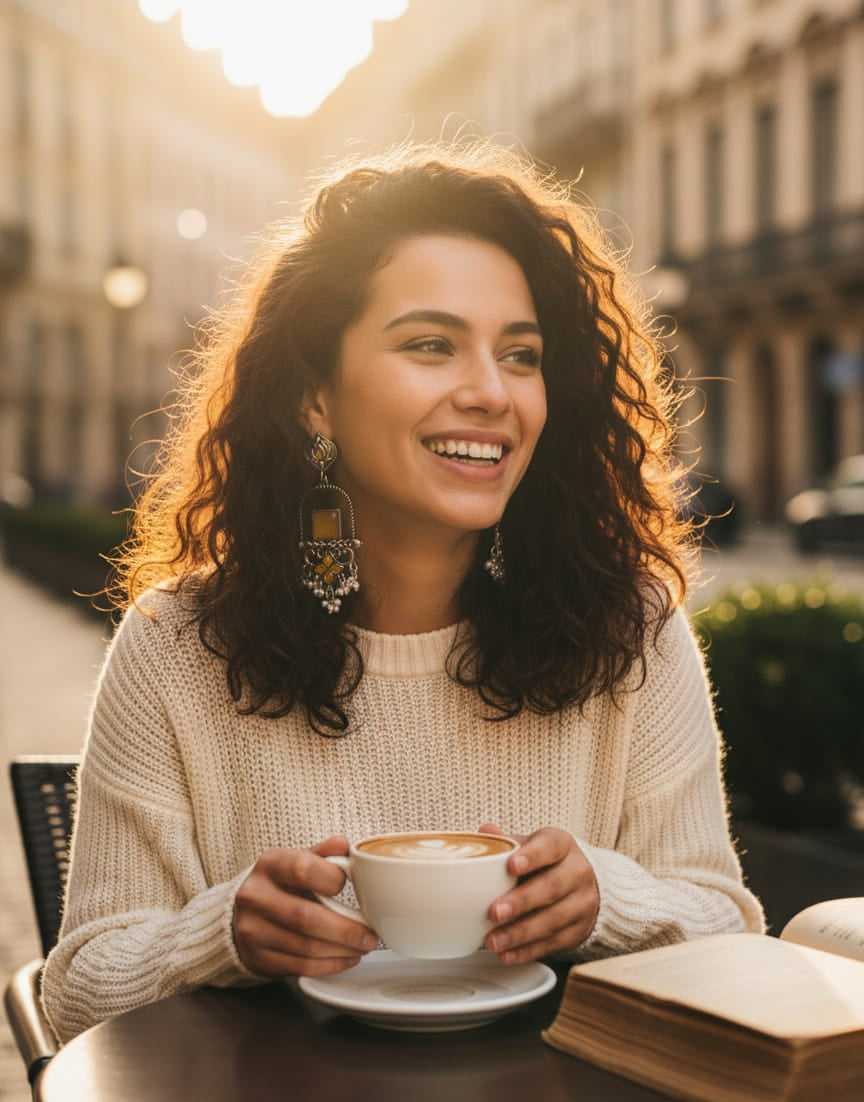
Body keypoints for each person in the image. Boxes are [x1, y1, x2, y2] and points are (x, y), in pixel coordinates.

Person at [41, 141, 763, 1042]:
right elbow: (74, 995)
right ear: (315, 399)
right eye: (431, 345)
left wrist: (605, 900)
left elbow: (731, 929)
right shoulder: (176, 645)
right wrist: (222, 934)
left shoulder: (635, 633)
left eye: (522, 355)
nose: (492, 392)